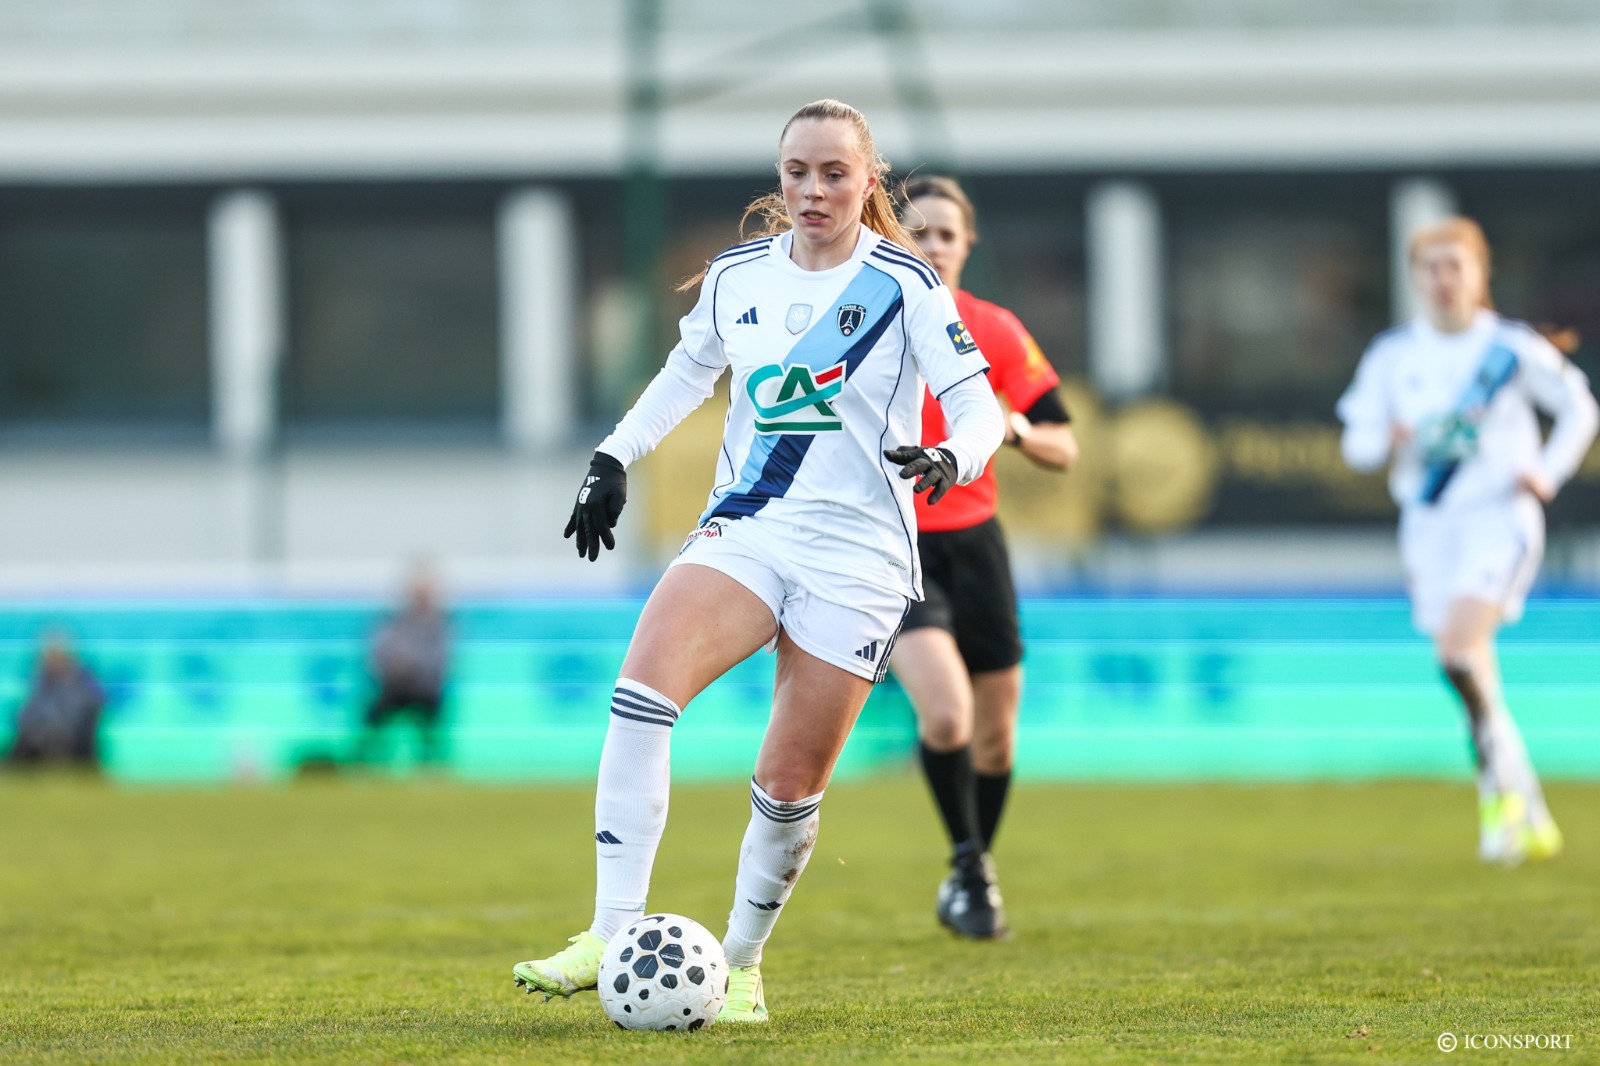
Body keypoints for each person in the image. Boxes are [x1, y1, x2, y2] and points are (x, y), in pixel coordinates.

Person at [511, 99, 1004, 1023]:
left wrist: (954, 456)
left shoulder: (904, 284)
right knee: (641, 692)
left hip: (860, 557)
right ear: (778, 178)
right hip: (750, 527)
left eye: (833, 174)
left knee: (786, 789)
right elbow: (687, 371)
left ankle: (738, 964)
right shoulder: (739, 276)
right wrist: (614, 456)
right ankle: (609, 929)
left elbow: (978, 405)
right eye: (796, 173)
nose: (812, 191)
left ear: (868, 181)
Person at [1337, 216, 1598, 866]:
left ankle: (1495, 797)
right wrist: (1388, 439)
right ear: (1416, 277)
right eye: (1432, 267)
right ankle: (1523, 804)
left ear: (1480, 274)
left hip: (1497, 520)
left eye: (1457, 265)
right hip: (1429, 525)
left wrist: (1549, 471)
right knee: (1472, 669)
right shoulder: (1393, 355)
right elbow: (1357, 441)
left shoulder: (1508, 348)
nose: (1444, 279)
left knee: (1458, 651)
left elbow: (1579, 408)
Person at [889, 176, 1078, 939]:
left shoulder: (995, 330)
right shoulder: (871, 324)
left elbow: (1064, 444)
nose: (932, 245)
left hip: (979, 546)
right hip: (899, 548)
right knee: (947, 713)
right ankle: (969, 864)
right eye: (918, 232)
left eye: (945, 234)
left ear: (967, 244)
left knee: (998, 737)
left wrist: (1016, 431)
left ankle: (972, 869)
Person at [357, 567, 450, 767]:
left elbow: (441, 662)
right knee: (372, 715)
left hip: (424, 691)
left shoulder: (440, 625)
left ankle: (431, 764)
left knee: (433, 720)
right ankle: (367, 762)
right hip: (395, 686)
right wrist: (396, 670)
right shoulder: (393, 621)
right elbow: (380, 654)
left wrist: (412, 668)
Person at [7, 630, 105, 769]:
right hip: (38, 738)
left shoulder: (82, 680)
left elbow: (84, 710)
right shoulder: (42, 680)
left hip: (71, 740)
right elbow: (27, 713)